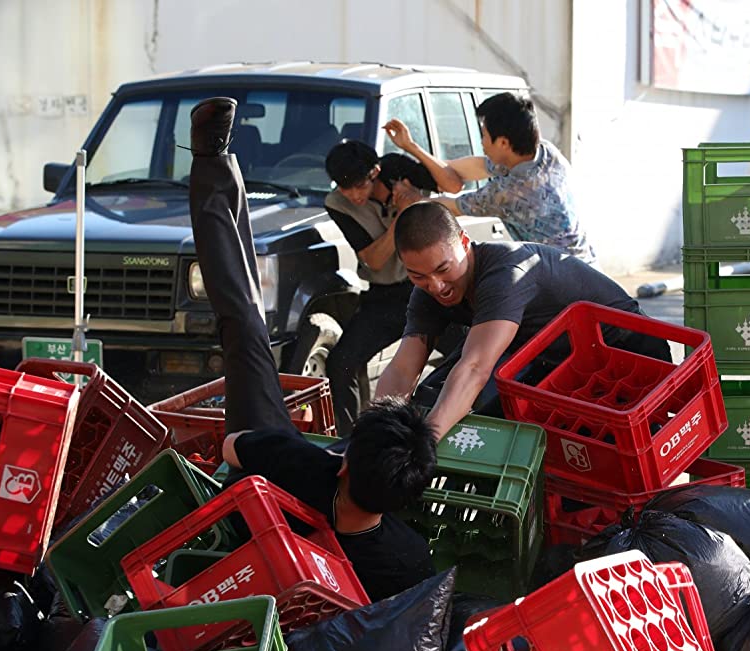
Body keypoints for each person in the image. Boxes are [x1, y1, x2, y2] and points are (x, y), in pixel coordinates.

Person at [187, 97, 437, 602]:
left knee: (246, 329)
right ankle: (214, 162)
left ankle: (212, 161)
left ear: (343, 460)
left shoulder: (303, 465)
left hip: (251, 528)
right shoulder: (409, 561)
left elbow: (233, 448)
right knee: (250, 331)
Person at [374, 201, 671, 440]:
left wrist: (425, 442)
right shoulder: (428, 292)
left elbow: (475, 368)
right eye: (418, 275)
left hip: (628, 357)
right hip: (559, 362)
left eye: (443, 269)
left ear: (464, 242)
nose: (436, 286)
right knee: (432, 400)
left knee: (471, 413)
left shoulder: (506, 274)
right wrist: (375, 431)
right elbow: (402, 369)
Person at [383, 92, 596, 264]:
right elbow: (473, 167)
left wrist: (412, 199)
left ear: (503, 143)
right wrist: (413, 149)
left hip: (566, 283)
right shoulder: (546, 153)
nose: (482, 142)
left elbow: (452, 206)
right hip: (587, 266)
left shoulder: (510, 193)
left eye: (484, 135)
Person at [322, 141, 437, 436]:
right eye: (345, 188)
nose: (353, 195)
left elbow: (452, 183)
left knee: (468, 358)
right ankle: (350, 442)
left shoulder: (398, 169)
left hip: (429, 290)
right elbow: (373, 259)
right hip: (385, 297)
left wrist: (411, 146)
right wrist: (401, 216)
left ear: (375, 172)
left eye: (359, 186)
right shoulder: (337, 203)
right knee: (341, 363)